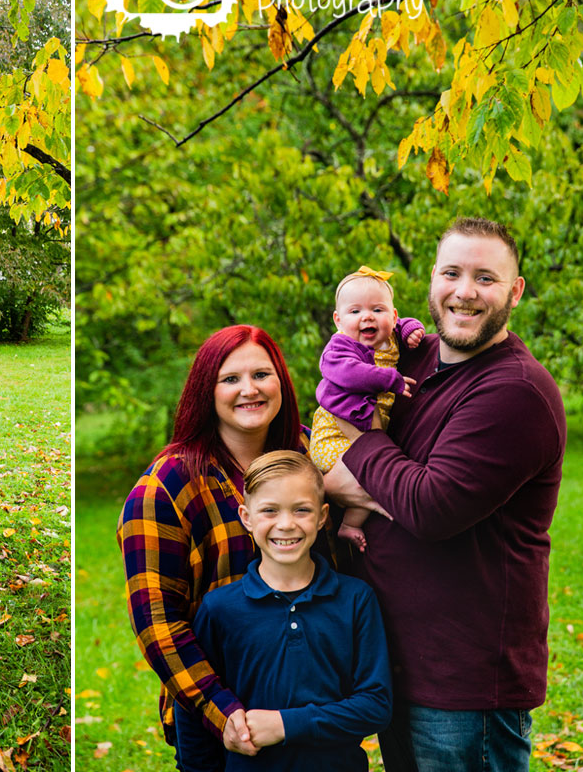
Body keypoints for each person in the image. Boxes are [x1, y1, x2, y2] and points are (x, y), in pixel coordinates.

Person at [325, 217, 567, 772]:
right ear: (431, 279)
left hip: (465, 684)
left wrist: (354, 451)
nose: (464, 291)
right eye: (452, 272)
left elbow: (430, 510)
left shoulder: (515, 392)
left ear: (515, 290)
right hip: (398, 663)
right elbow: (332, 386)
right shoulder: (411, 357)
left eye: (486, 277)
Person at [118, 324, 306, 769]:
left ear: (281, 380)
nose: (249, 390)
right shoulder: (166, 487)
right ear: (207, 390)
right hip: (219, 714)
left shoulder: (309, 455)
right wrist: (224, 713)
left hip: (308, 703)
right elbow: (158, 624)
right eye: (230, 379)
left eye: (262, 374)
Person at [177, 450, 392, 771]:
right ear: (246, 517)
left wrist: (284, 725)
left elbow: (375, 705)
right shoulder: (220, 608)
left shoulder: (355, 599)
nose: (286, 524)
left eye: (301, 510)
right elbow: (195, 707)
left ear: (323, 516)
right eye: (269, 511)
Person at [309, 266, 424, 550]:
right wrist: (390, 379)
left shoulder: (391, 337)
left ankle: (353, 520)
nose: (367, 317)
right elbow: (351, 374)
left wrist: (411, 329)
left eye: (378, 309)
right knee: (366, 477)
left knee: (370, 472)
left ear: (393, 315)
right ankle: (351, 522)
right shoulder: (339, 348)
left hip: (365, 429)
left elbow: (404, 324)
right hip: (334, 434)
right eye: (355, 312)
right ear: (338, 320)